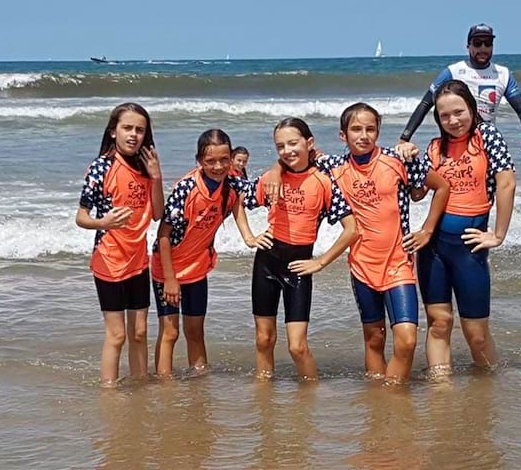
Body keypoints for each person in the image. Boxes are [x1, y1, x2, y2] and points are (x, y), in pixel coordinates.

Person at [265, 103, 449, 384]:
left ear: (378, 131)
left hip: (398, 263)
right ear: (343, 135)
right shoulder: (332, 167)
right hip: (362, 265)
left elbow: (441, 186)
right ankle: (377, 402)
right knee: (374, 337)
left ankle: (393, 396)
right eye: (356, 129)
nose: (363, 135)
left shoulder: (397, 160)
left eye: (370, 129)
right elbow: (293, 156)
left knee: (407, 340)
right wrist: (277, 172)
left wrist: (427, 230)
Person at [240, 117, 358, 381]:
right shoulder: (271, 180)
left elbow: (352, 229)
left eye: (293, 143)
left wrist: (320, 262)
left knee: (297, 346)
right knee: (263, 338)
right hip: (267, 262)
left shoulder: (323, 182)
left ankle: (309, 402)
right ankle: (264, 400)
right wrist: (249, 236)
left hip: (299, 267)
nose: (287, 151)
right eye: (280, 146)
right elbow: (237, 200)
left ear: (309, 143)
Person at [415, 80, 516, 375]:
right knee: (439, 323)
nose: (453, 121)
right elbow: (417, 192)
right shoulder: (435, 147)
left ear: (471, 108)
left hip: (469, 249)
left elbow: (506, 184)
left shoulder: (487, 136)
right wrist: (407, 160)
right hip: (432, 248)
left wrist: (498, 235)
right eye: (445, 116)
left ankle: (489, 388)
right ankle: (441, 394)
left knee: (477, 334)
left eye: (459, 112)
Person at [75, 102, 164, 387]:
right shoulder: (101, 168)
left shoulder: (145, 167)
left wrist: (157, 176)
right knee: (117, 335)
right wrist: (104, 222)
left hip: (138, 260)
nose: (133, 135)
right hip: (109, 260)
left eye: (140, 130)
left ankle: (140, 388)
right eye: (127, 128)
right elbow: (81, 217)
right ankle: (109, 393)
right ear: (113, 131)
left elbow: (159, 213)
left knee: (139, 332)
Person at [151, 129, 250, 376]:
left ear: (231, 158)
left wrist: (249, 236)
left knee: (195, 330)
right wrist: (171, 280)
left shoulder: (232, 184)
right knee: (170, 332)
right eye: (210, 161)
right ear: (199, 161)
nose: (218, 166)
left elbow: (252, 192)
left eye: (224, 160)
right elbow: (162, 235)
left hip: (197, 268)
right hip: (168, 269)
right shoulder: (186, 189)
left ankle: (200, 382)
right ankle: (166, 387)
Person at [399, 23, 521, 159]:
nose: (483, 48)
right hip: (455, 142)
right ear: (468, 46)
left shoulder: (503, 74)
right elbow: (425, 104)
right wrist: (405, 138)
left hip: (486, 142)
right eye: (477, 43)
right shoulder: (453, 72)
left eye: (488, 43)